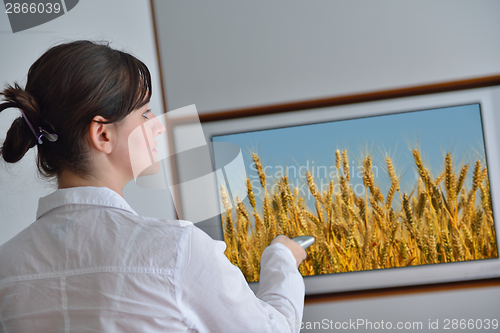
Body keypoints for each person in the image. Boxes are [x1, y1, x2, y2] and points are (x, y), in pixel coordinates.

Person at [0, 40, 307, 332]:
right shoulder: (177, 250)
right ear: (102, 135)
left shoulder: (6, 266)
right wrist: (281, 259)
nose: (158, 124)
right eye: (145, 112)